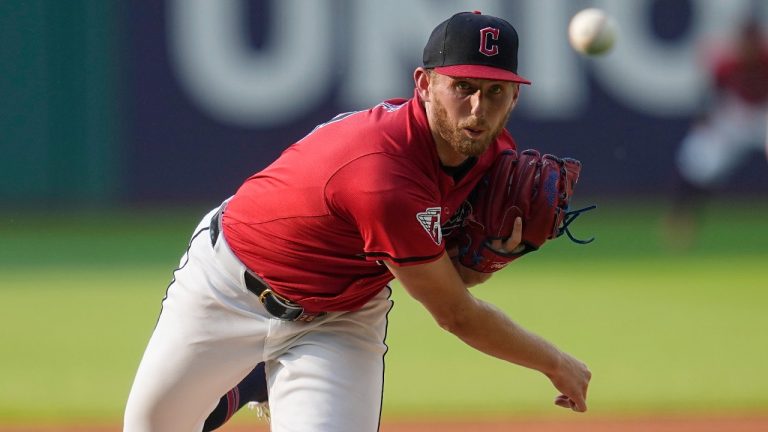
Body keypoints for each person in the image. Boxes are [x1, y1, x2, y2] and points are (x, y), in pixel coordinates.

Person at [124, 11, 591, 431]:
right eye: (462, 87)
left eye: (495, 92)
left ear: (513, 99)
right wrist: (555, 362)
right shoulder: (382, 174)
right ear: (425, 85)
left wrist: (493, 257)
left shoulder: (494, 157)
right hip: (228, 289)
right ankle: (246, 382)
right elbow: (454, 314)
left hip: (340, 318)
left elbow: (451, 276)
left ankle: (255, 380)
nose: (477, 109)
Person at [665, 19, 768, 248]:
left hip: (764, 112)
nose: (748, 47)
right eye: (745, 42)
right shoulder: (727, 63)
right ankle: (682, 220)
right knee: (700, 156)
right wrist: (705, 122)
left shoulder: (765, 58)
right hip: (736, 113)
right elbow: (711, 96)